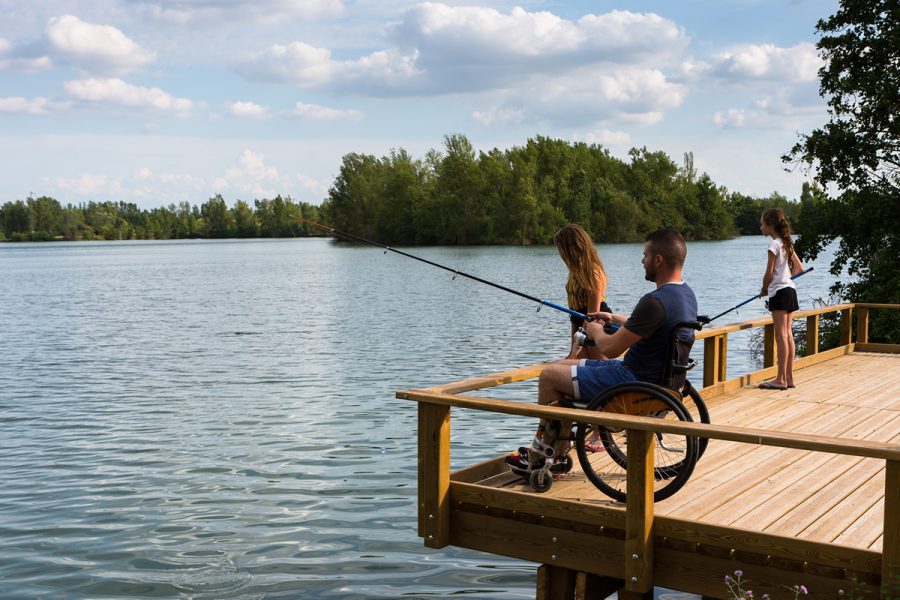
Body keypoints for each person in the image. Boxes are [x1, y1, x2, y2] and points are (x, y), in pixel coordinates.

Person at [506, 229, 698, 472]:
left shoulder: (654, 301)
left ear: (658, 260)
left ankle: (542, 455)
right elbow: (650, 326)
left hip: (631, 381)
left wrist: (594, 330)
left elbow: (611, 347)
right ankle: (557, 452)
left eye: (645, 255)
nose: (642, 260)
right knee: (560, 368)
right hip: (653, 379)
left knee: (548, 377)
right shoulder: (685, 294)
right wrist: (611, 317)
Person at [758, 208, 803, 390]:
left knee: (781, 335)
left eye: (762, 224)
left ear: (770, 225)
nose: (760, 227)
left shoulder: (774, 246)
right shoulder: (787, 243)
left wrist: (764, 289)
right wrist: (786, 279)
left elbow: (768, 274)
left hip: (779, 292)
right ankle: (789, 378)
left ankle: (780, 379)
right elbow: (799, 268)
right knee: (789, 334)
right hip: (790, 291)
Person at [553, 224, 611, 361]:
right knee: (575, 368)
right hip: (581, 329)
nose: (560, 253)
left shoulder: (594, 273)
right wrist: (572, 349)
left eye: (561, 249)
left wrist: (579, 346)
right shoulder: (574, 273)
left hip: (597, 328)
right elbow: (573, 315)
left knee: (600, 370)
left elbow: (593, 316)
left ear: (572, 248)